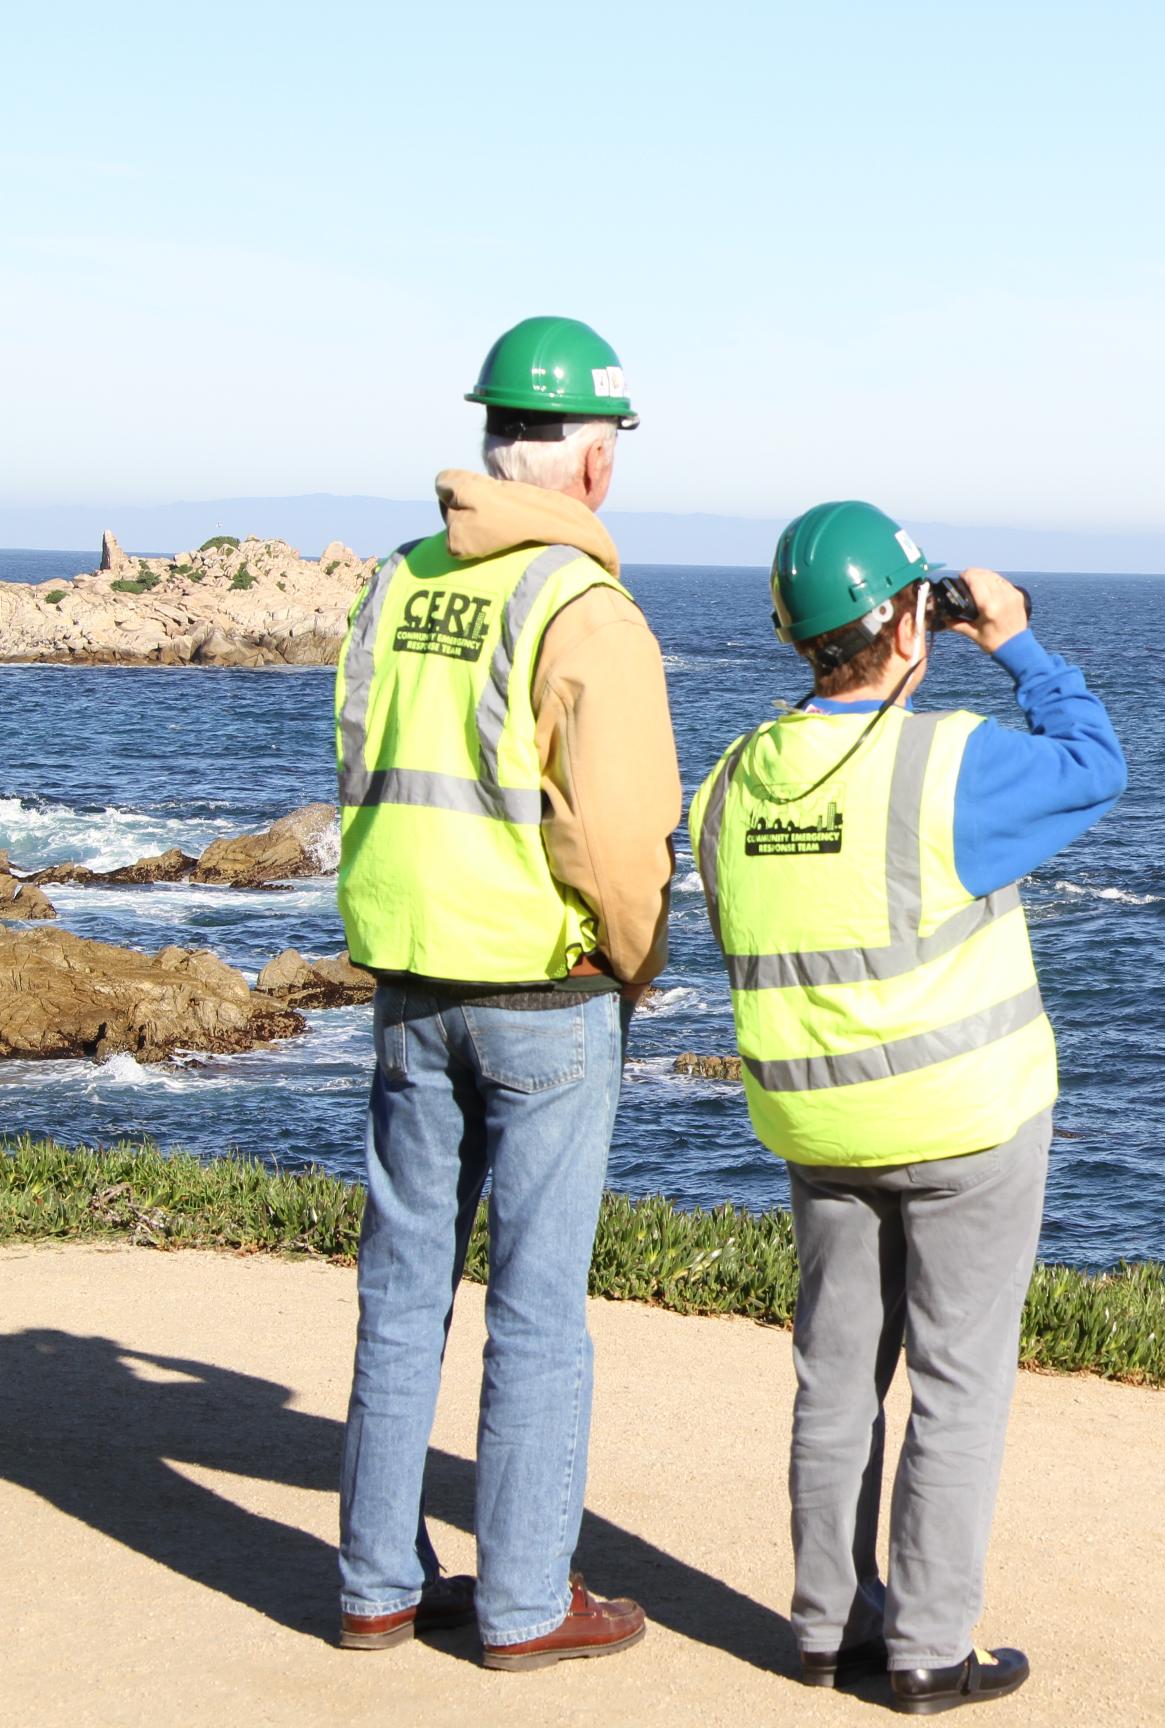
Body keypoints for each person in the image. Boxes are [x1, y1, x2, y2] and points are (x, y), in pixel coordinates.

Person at [689, 501, 1123, 1710]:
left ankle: (828, 1628)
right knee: (957, 1383)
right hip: (965, 1121)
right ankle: (929, 1649)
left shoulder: (731, 780)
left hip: (815, 1124)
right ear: (906, 624)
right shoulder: (948, 764)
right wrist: (1017, 641)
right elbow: (1096, 765)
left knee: (835, 1380)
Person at [333, 315, 681, 1669]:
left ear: (492, 439)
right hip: (541, 989)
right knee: (537, 1308)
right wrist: (633, 961)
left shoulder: (395, 583)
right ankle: (528, 1600)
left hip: (407, 973)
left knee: (401, 1287)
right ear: (592, 463)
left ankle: (376, 1585)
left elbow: (362, 759)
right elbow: (620, 835)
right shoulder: (581, 607)